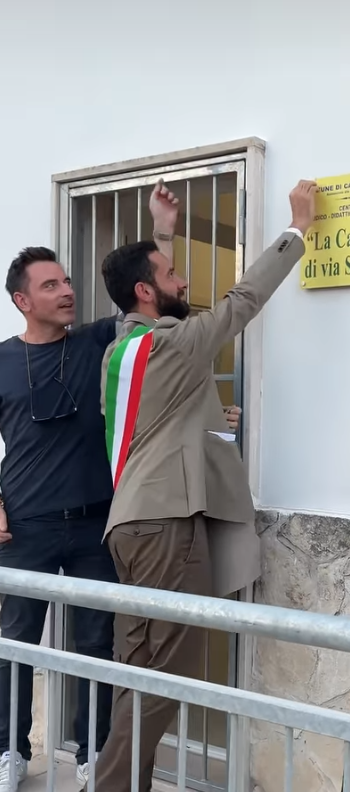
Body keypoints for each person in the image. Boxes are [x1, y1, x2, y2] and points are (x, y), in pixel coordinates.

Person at [0, 181, 241, 792]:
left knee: (99, 644)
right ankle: (9, 751)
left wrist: (162, 230)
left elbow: (150, 299)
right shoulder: (0, 361)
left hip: (94, 521)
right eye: (50, 285)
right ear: (22, 301)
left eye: (66, 281)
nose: (66, 291)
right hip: (23, 525)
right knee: (15, 642)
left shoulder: (101, 343)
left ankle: (93, 754)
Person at [85, 178, 317, 792]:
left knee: (138, 670)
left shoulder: (122, 351)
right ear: (145, 290)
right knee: (166, 673)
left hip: (131, 525)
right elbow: (243, 300)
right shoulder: (177, 345)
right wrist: (296, 229)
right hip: (167, 525)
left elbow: (163, 413)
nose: (184, 281)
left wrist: (161, 234)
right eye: (172, 272)